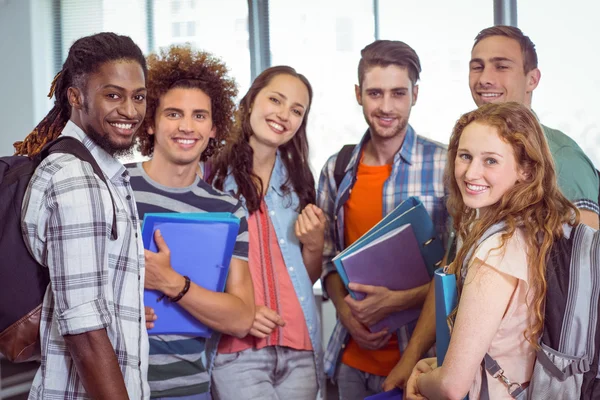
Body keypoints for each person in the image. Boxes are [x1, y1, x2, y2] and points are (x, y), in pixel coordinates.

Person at [383, 25, 600, 391]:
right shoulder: (482, 194)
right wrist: (417, 360)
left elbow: (579, 282)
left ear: (532, 78)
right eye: (477, 66)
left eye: (501, 66)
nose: (485, 78)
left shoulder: (561, 158)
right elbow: (452, 271)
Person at [405, 101, 578, 399]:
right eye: (465, 156)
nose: (471, 173)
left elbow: (452, 386)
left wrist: (419, 384)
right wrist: (438, 367)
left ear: (525, 170)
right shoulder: (531, 232)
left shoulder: (497, 250)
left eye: (491, 161)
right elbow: (503, 346)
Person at [17, 32, 150, 399]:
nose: (130, 110)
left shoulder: (102, 173)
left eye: (138, 96)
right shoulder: (77, 179)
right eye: (113, 95)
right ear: (75, 96)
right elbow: (84, 329)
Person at [317, 40, 448, 399]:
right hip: (349, 363)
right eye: (375, 93)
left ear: (415, 94)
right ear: (359, 94)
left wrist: (399, 300)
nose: (386, 107)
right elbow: (328, 259)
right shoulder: (337, 169)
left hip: (420, 365)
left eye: (398, 93)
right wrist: (344, 311)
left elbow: (462, 272)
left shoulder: (449, 165)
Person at [127, 45, 255, 400]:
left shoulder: (228, 212)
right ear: (150, 122)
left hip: (190, 390)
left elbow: (242, 317)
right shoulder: (112, 188)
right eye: (173, 113)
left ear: (214, 128)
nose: (187, 126)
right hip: (112, 385)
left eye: (199, 116)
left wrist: (172, 283)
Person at [209, 65, 324, 399]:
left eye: (296, 110)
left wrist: (315, 245)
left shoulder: (299, 180)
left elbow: (305, 275)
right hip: (237, 351)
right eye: (276, 99)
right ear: (250, 101)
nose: (284, 114)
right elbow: (195, 271)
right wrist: (240, 313)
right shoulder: (211, 176)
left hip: (299, 347)